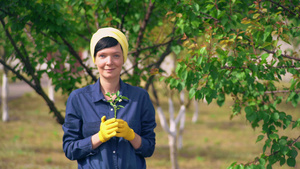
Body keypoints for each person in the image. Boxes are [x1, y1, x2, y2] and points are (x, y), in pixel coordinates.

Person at [62, 27, 156, 169]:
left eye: (116, 55)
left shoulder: (139, 98)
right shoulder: (78, 99)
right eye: (102, 55)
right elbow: (70, 149)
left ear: (124, 58)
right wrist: (99, 137)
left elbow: (149, 148)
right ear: (94, 59)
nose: (109, 62)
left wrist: (131, 135)